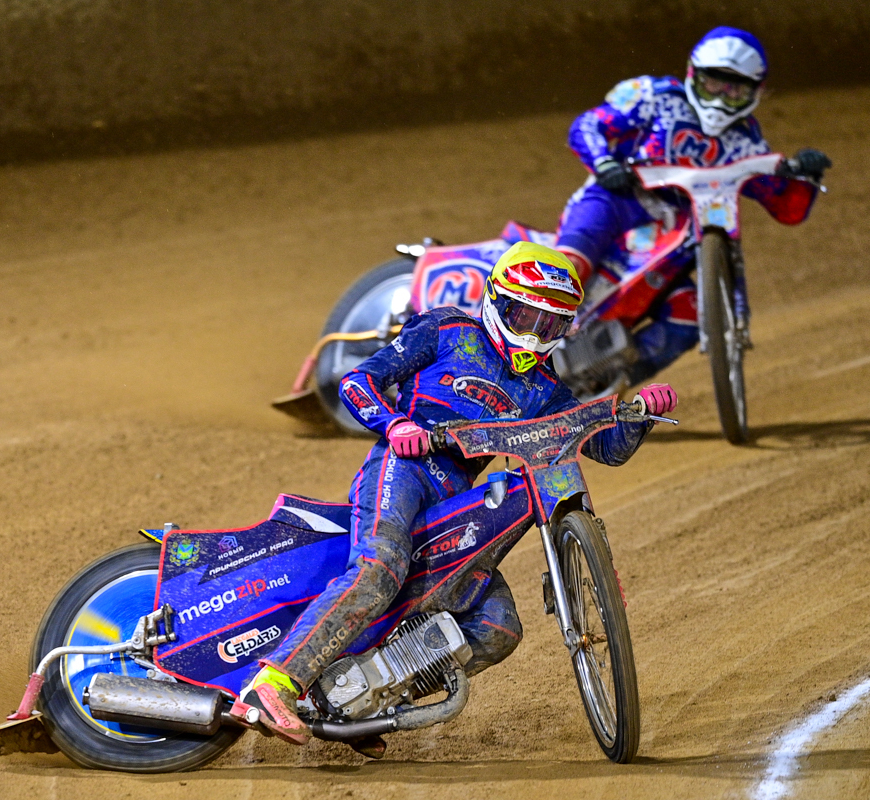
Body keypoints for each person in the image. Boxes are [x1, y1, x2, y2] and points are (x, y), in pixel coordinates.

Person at [232, 242, 677, 756]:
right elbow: (357, 380)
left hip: (456, 500)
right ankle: (274, 684)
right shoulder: (446, 329)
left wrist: (639, 417)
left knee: (498, 627)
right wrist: (394, 424)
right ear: (497, 300)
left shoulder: (544, 388)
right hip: (402, 470)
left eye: (550, 324)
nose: (535, 334)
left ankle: (364, 699)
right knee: (380, 564)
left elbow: (603, 446)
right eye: (526, 317)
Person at [555, 26, 832, 385]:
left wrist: (804, 177)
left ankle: (606, 385)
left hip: (679, 234)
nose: (720, 99)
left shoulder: (746, 141)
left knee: (690, 316)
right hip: (617, 202)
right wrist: (604, 162)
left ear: (756, 91)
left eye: (734, 90)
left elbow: (786, 209)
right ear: (693, 75)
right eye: (713, 84)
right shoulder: (656, 97)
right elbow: (588, 125)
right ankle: (515, 344)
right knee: (565, 270)